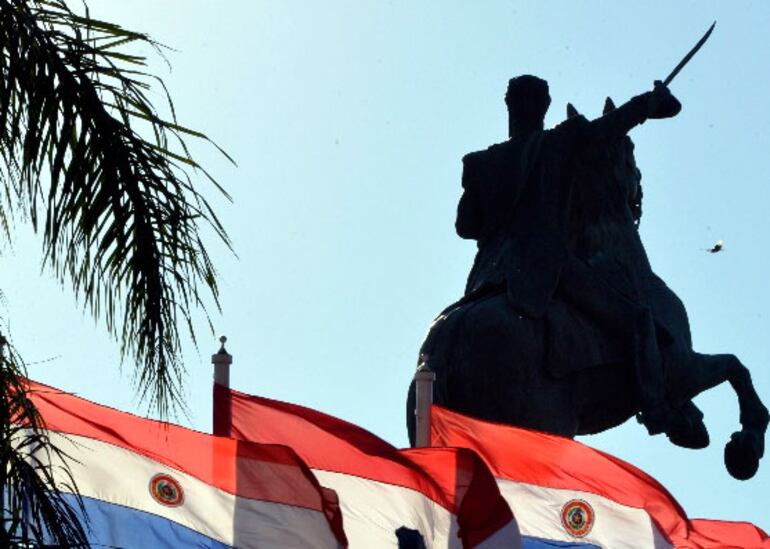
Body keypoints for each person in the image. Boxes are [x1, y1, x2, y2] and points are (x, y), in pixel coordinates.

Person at [456, 75, 683, 436]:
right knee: (639, 320)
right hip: (545, 268)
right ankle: (659, 411)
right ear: (543, 108)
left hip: (485, 281)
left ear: (509, 107)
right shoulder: (560, 141)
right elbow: (609, 129)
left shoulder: (482, 162)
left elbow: (466, 226)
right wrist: (651, 102)